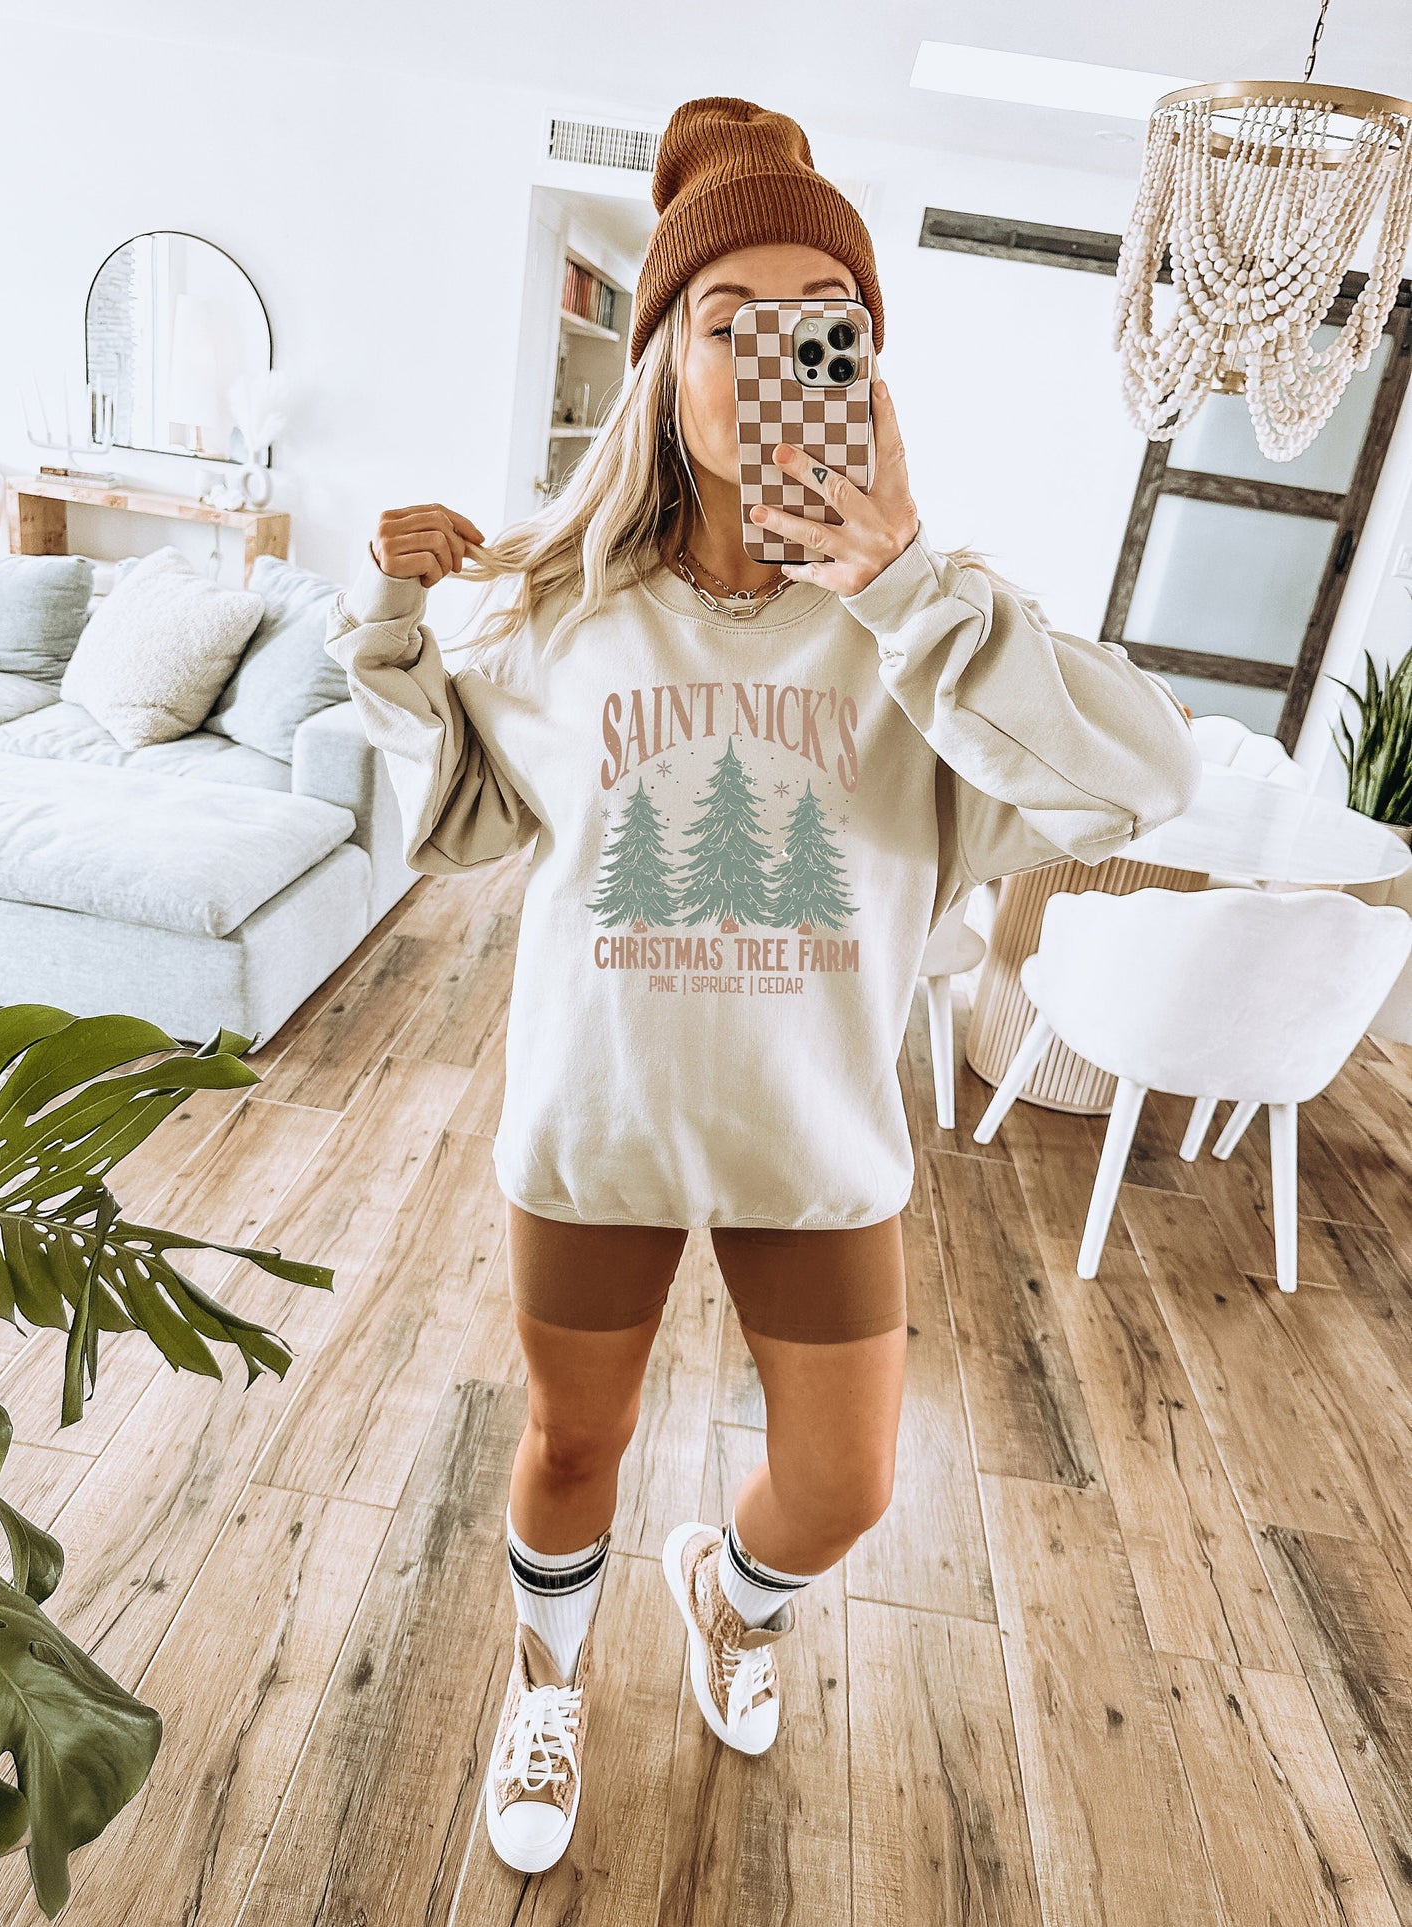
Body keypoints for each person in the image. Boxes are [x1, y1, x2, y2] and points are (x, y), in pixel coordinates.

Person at [324, 95, 1200, 1875]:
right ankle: (547, 1681)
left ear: (868, 371)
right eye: (726, 321)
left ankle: (728, 1595)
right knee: (571, 1445)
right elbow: (467, 821)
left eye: (826, 324)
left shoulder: (934, 634)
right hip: (598, 1127)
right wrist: (398, 637)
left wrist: (907, 582)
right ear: (661, 361)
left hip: (816, 1141)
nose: (776, 355)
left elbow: (1141, 781)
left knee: (844, 1486)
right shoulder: (552, 613)